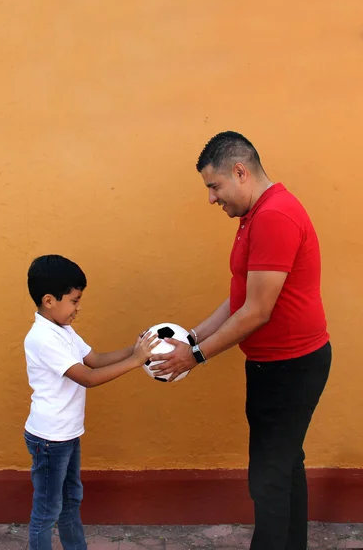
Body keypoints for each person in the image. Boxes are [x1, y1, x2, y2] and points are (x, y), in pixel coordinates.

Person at [151, 131, 331, 550]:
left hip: (291, 368)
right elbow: (241, 298)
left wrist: (193, 356)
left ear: (240, 171)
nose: (212, 199)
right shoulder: (257, 214)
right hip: (277, 366)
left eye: (214, 187)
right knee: (284, 467)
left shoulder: (274, 216)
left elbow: (256, 312)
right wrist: (193, 334)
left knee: (267, 480)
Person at [24, 254, 157, 550]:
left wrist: (134, 350)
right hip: (48, 439)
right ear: (49, 300)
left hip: (67, 435)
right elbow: (87, 377)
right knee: (47, 512)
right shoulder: (42, 338)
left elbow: (95, 360)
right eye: (74, 301)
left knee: (72, 501)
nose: (78, 308)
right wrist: (136, 362)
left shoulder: (64, 331)